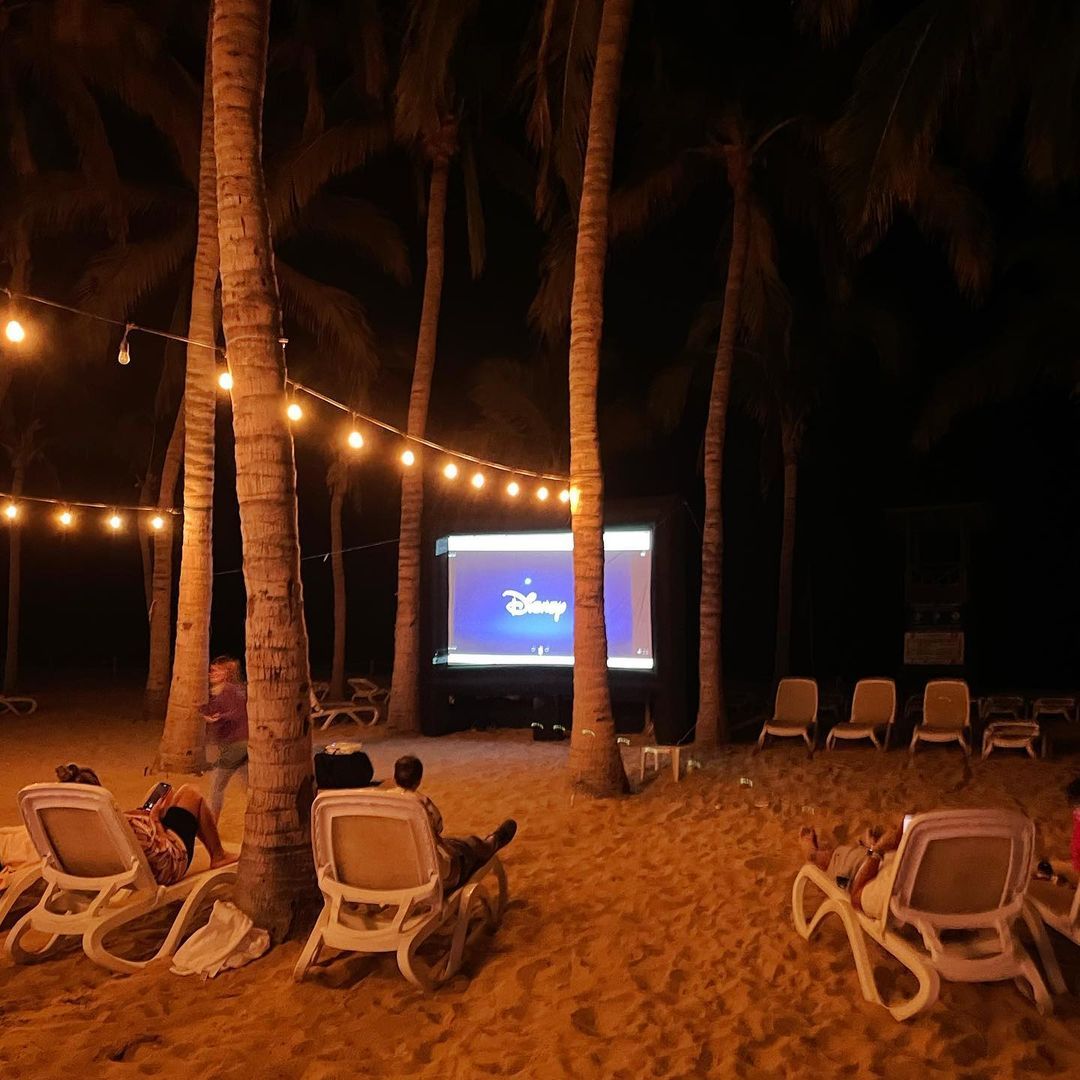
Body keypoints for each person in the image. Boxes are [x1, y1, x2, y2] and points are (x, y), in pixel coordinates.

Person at [56, 764, 236, 887]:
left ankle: (163, 811)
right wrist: (156, 821)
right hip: (165, 866)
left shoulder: (72, 825)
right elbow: (161, 849)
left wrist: (140, 816)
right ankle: (218, 855)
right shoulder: (112, 824)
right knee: (191, 793)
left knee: (163, 792)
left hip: (107, 867)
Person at [382, 754, 517, 891]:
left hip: (393, 873)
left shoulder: (381, 802)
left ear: (394, 778)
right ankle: (492, 842)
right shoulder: (422, 804)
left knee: (453, 842)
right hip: (432, 875)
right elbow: (438, 827)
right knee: (470, 845)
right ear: (418, 781)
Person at [799, 820, 903, 918]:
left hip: (860, 873)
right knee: (843, 859)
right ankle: (818, 855)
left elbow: (855, 898)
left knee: (841, 868)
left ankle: (814, 856)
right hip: (879, 861)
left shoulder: (887, 895)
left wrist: (876, 851)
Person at [201, 655, 249, 818]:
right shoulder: (225, 690)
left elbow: (237, 713)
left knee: (216, 787)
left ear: (227, 673)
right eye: (212, 670)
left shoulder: (229, 690)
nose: (212, 673)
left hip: (236, 745)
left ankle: (210, 824)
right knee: (250, 787)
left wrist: (219, 718)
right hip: (241, 744)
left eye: (217, 671)